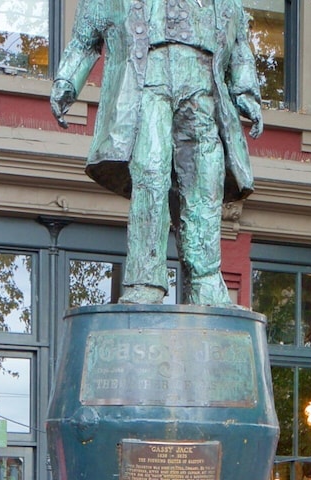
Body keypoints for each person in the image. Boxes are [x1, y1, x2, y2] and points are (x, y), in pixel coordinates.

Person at [50, 0, 265, 306]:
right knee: (150, 172)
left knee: (205, 182)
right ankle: (145, 280)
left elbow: (240, 47)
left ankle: (205, 281)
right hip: (148, 83)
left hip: (204, 88)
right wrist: (67, 81)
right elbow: (85, 39)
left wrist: (247, 95)